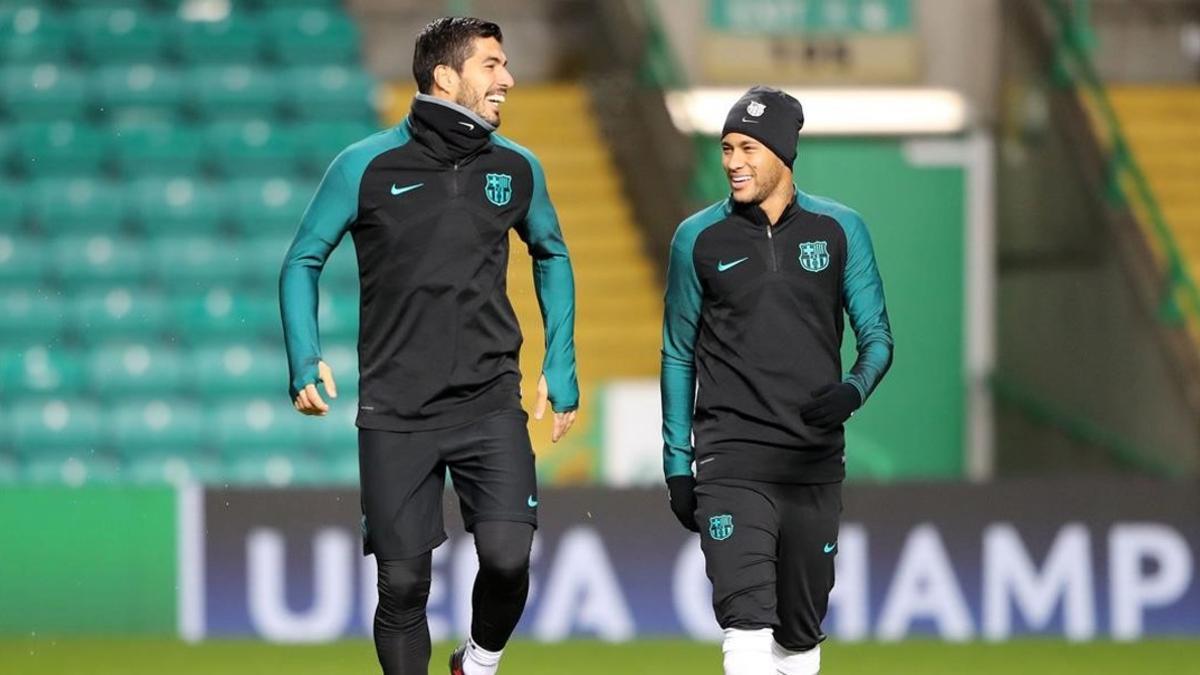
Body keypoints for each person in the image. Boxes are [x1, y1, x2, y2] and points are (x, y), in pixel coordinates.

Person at [279, 17, 578, 675]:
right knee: (405, 585)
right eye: (492, 64)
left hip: (489, 402)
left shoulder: (516, 167)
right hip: (396, 411)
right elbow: (302, 258)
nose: (508, 78)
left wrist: (561, 359)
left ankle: (477, 662)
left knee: (506, 556)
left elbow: (551, 251)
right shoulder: (364, 165)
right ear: (446, 76)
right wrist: (304, 354)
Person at [660, 86, 893, 675]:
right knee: (745, 624)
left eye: (749, 148)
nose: (734, 161)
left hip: (812, 463)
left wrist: (852, 391)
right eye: (726, 147)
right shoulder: (697, 239)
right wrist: (677, 463)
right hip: (730, 460)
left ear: (784, 152)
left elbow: (878, 339)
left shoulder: (841, 230)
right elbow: (677, 354)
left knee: (798, 637)